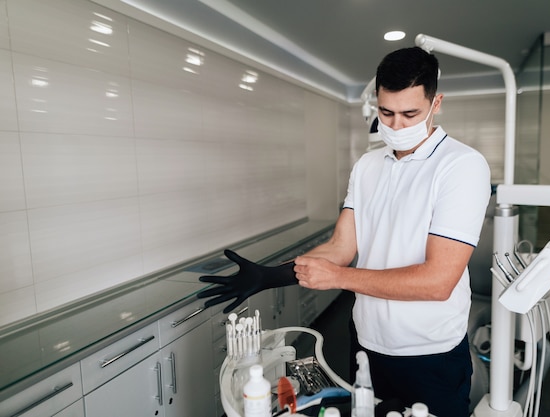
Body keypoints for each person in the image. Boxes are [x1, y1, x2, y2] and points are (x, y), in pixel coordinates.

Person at [198, 46, 491, 417]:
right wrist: (269, 276)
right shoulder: (368, 165)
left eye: (410, 114)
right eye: (386, 112)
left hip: (429, 352)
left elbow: (437, 281)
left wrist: (338, 277)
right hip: (367, 343)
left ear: (437, 104)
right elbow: (340, 246)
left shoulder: (462, 167)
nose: (397, 125)